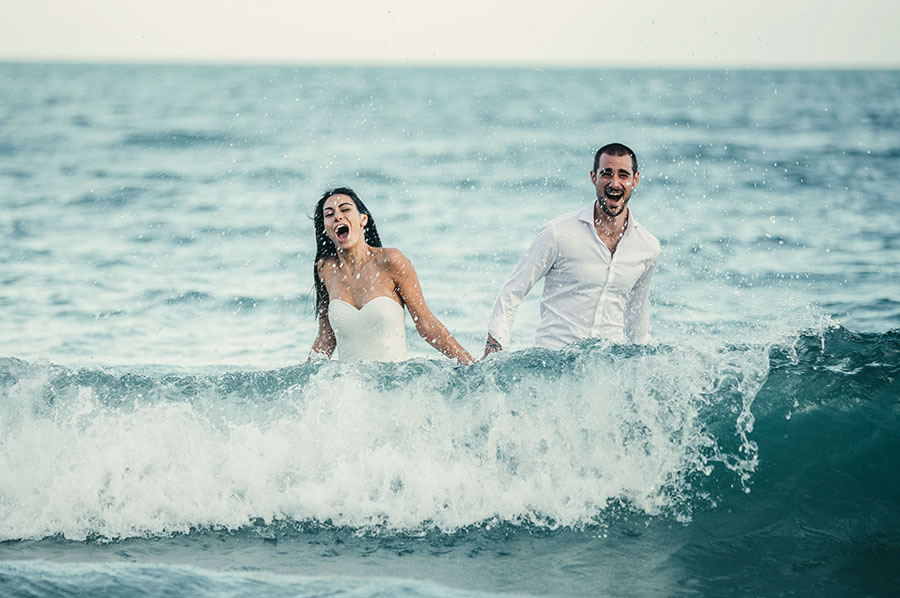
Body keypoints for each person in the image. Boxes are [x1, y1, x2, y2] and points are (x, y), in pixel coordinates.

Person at [483, 143, 660, 358]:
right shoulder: (558, 233)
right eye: (606, 174)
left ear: (636, 179)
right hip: (552, 364)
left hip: (606, 370)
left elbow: (637, 316)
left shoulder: (647, 247)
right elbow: (512, 292)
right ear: (593, 177)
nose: (614, 183)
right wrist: (495, 349)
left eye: (623, 175)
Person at [308, 187, 474, 364]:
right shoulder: (326, 269)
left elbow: (426, 323)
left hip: (393, 385)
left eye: (345, 209)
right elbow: (325, 337)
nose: (338, 217)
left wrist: (470, 364)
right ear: (325, 229)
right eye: (329, 214)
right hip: (349, 388)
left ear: (362, 219)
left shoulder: (391, 261)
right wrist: (305, 380)